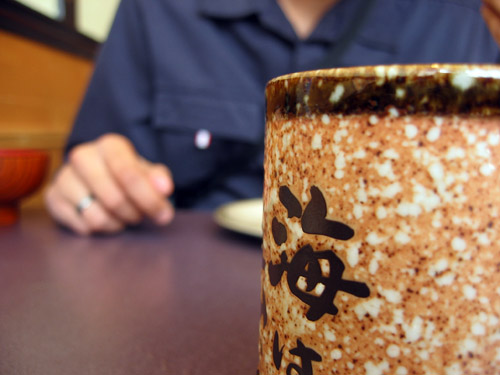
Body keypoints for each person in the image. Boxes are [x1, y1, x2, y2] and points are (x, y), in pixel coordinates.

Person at [45, 0, 500, 235]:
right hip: (179, 293)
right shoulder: (158, 9)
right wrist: (91, 189)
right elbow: (91, 168)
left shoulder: (460, 16)